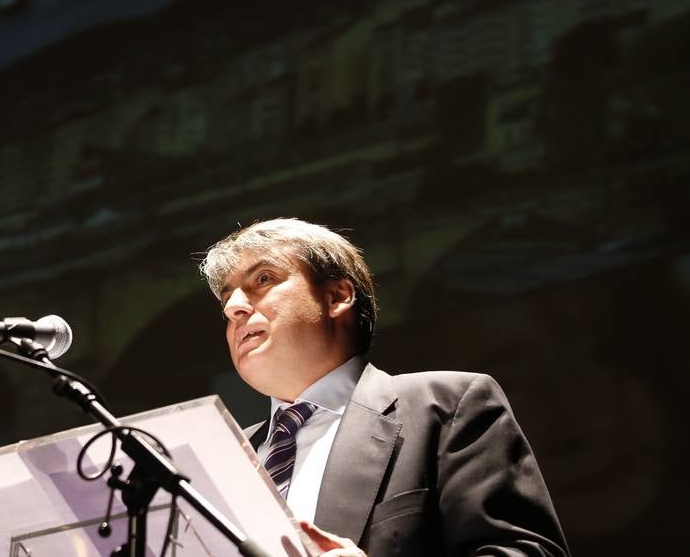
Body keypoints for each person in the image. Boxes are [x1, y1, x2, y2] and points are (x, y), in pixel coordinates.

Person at [199, 218, 568, 556]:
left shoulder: (445, 406)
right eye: (227, 298)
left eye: (263, 279)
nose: (234, 307)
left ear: (337, 297)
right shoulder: (221, 462)